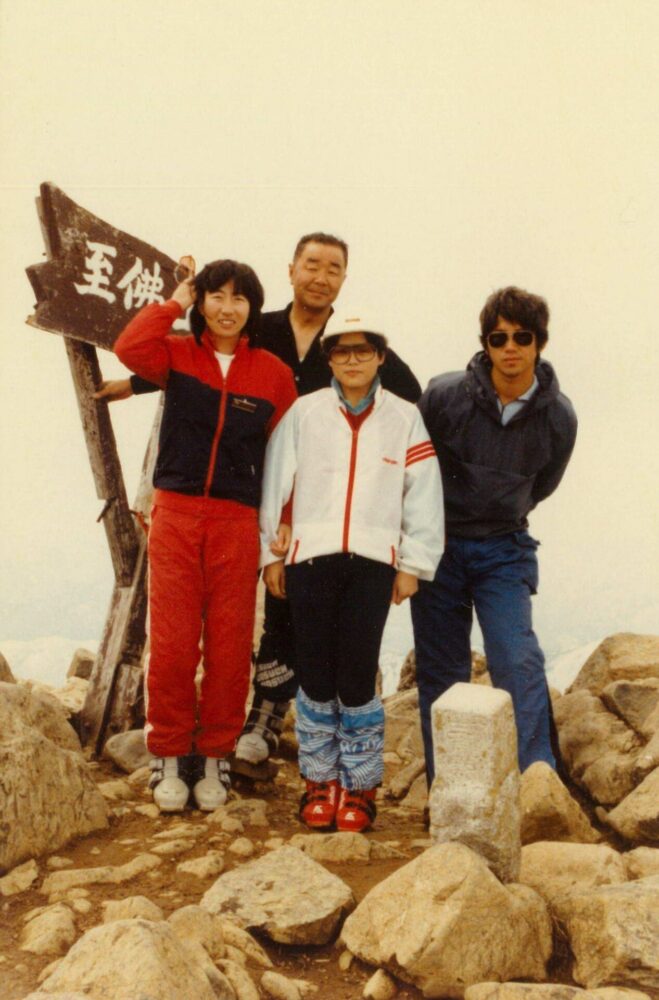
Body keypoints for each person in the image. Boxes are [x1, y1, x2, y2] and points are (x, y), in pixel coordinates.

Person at [99, 234, 421, 771]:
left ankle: (268, 715)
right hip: (243, 492)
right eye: (311, 265)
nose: (320, 277)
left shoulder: (348, 341)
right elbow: (211, 367)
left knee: (293, 606)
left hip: (315, 496)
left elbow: (407, 402)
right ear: (291, 269)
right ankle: (217, 730)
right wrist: (134, 384)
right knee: (238, 612)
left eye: (333, 268)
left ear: (344, 279)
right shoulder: (259, 327)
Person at [114, 260, 296, 812]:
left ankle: (216, 752)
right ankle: (169, 753)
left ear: (253, 307)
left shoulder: (273, 374)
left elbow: (287, 458)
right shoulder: (176, 354)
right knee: (172, 643)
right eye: (215, 295)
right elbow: (129, 347)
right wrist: (176, 299)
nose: (227, 307)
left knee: (229, 643)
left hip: (237, 521)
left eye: (239, 298)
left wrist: (284, 519)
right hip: (175, 513)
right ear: (201, 301)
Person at [260, 314, 444, 832]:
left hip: (373, 562)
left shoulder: (405, 417)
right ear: (330, 359)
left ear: (381, 356)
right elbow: (276, 481)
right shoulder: (305, 412)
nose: (353, 360)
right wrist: (270, 554)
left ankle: (360, 786)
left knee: (357, 676)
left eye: (364, 350)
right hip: (310, 558)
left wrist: (413, 564)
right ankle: (319, 782)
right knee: (316, 674)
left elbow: (423, 492)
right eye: (342, 351)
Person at [411, 286, 577, 784]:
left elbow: (540, 486)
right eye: (498, 337)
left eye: (522, 337)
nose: (510, 347)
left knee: (516, 659)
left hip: (505, 549)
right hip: (438, 546)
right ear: (484, 342)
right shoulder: (444, 397)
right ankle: (449, 790)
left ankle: (537, 784)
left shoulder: (559, 417)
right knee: (442, 672)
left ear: (539, 342)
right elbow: (414, 469)